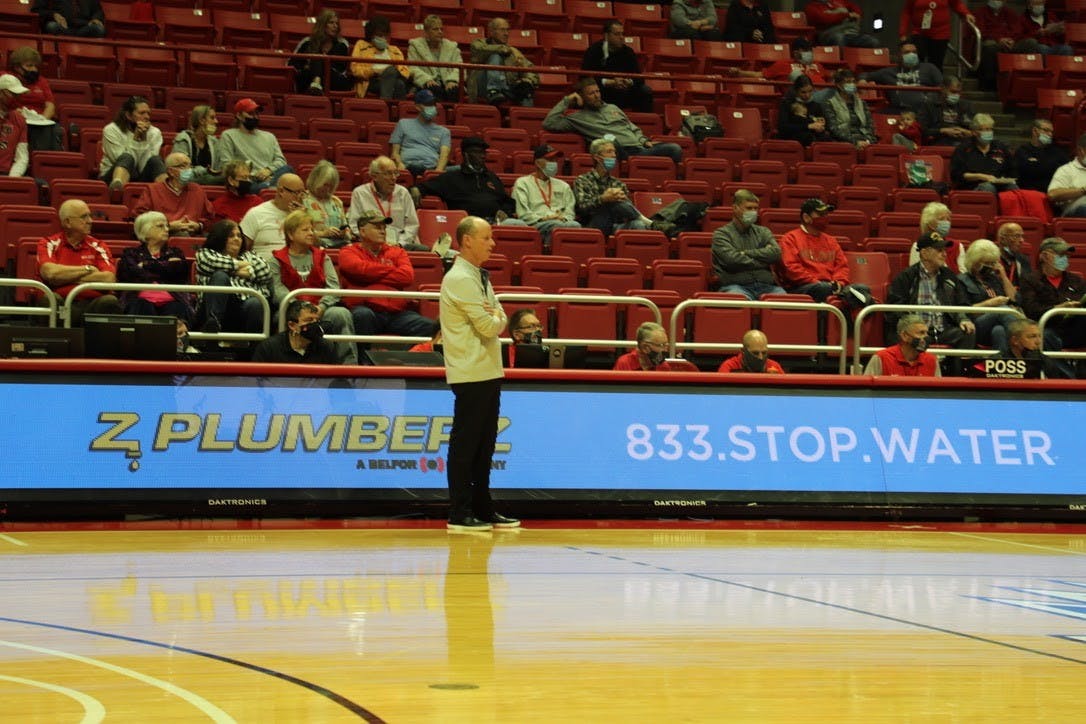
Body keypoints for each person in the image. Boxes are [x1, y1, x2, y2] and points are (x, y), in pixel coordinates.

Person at [439, 215, 518, 532]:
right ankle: (459, 511)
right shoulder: (460, 278)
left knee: (485, 445)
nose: (493, 243)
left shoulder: (479, 276)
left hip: (487, 369)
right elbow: (490, 324)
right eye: (486, 238)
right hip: (470, 371)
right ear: (467, 240)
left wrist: (496, 316)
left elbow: (500, 316)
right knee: (466, 444)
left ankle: (483, 507)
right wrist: (496, 317)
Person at [339, 209, 439, 349]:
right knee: (362, 315)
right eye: (377, 227)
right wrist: (391, 271)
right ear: (362, 231)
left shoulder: (397, 252)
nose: (383, 231)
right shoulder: (348, 252)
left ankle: (403, 361)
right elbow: (357, 269)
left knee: (430, 327)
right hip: (367, 310)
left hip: (396, 312)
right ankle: (363, 364)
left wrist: (370, 274)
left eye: (384, 227)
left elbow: (406, 276)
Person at [269, 210, 357, 365]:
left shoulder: (323, 256)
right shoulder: (276, 259)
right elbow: (277, 291)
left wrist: (321, 307)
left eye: (311, 229)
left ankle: (349, 368)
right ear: (290, 235)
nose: (311, 233)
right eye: (305, 230)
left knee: (341, 314)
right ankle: (285, 366)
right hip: (292, 310)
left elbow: (333, 287)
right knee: (279, 317)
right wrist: (301, 309)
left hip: (321, 308)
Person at [887, 232, 976, 373]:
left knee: (967, 333)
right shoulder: (906, 277)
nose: (944, 254)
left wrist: (963, 318)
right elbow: (893, 310)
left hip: (943, 330)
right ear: (924, 253)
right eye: (939, 250)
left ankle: (959, 377)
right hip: (916, 332)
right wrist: (911, 326)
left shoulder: (949, 276)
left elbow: (962, 302)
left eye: (944, 250)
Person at [542, 78, 682, 164]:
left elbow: (632, 127)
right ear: (582, 97)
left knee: (674, 148)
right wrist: (567, 100)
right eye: (591, 93)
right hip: (617, 152)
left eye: (597, 91)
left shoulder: (612, 107)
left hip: (639, 148)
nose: (596, 96)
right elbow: (550, 123)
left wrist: (644, 141)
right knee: (610, 139)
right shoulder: (577, 118)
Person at [36, 199, 123, 325]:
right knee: (50, 299)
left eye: (90, 216)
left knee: (109, 301)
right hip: (62, 302)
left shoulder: (98, 245)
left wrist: (64, 278)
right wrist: (88, 269)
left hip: (92, 303)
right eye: (84, 217)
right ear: (67, 222)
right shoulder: (48, 243)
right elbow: (51, 274)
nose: (90, 221)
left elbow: (108, 279)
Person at [416, 136, 523, 224]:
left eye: (484, 153)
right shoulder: (451, 178)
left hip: (494, 222)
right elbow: (425, 187)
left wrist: (504, 211)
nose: (482, 156)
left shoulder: (491, 177)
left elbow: (507, 202)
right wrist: (415, 189)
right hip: (466, 223)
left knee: (519, 225)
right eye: (477, 152)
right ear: (466, 155)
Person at [195, 219, 273, 334]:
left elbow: (266, 273)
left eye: (239, 236)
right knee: (220, 276)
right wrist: (247, 270)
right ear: (220, 237)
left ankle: (254, 349)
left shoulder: (250, 255)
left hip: (244, 307)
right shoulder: (206, 253)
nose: (236, 239)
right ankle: (213, 324)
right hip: (212, 308)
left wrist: (229, 268)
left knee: (255, 303)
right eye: (231, 236)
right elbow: (209, 263)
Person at [116, 211, 193, 321]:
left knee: (177, 309)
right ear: (145, 231)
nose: (166, 229)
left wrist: (146, 265)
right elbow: (131, 274)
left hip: (173, 299)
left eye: (167, 226)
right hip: (139, 299)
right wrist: (164, 268)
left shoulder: (176, 252)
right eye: (160, 226)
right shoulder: (131, 253)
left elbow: (179, 272)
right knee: (141, 306)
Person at [711, 189, 785, 300]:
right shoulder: (721, 234)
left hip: (768, 287)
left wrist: (745, 253)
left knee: (785, 301)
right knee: (738, 301)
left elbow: (776, 254)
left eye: (756, 208)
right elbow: (732, 260)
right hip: (736, 287)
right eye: (749, 208)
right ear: (735, 208)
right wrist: (763, 261)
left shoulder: (763, 231)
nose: (753, 212)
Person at [572, 138, 652, 236]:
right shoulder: (583, 180)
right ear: (597, 157)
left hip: (616, 224)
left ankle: (641, 229)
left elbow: (627, 210)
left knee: (637, 224)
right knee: (610, 202)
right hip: (594, 224)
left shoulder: (618, 183)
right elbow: (582, 208)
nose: (614, 155)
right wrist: (603, 199)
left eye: (614, 152)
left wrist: (623, 199)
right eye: (609, 152)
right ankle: (648, 222)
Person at [1019, 237, 1086, 350]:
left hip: (1074, 327)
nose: (1065, 258)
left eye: (1067, 255)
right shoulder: (1030, 280)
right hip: (1047, 326)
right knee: (1045, 336)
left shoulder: (1076, 280)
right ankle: (1066, 369)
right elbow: (1030, 310)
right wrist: (1057, 308)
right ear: (1044, 256)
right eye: (1061, 254)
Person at [777, 199, 849, 302]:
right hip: (803, 287)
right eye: (820, 214)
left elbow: (842, 266)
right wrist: (815, 281)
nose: (825, 218)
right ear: (806, 217)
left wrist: (839, 283)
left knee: (861, 289)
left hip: (830, 286)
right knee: (823, 289)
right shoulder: (790, 239)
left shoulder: (831, 241)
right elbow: (791, 268)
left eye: (826, 214)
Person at [957, 238, 1021, 351]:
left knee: (999, 331)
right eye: (987, 263)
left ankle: (1003, 364)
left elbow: (1014, 299)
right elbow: (964, 311)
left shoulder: (993, 279)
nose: (991, 266)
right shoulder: (962, 280)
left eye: (993, 263)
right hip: (976, 325)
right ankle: (1025, 341)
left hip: (997, 326)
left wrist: (1003, 276)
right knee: (1002, 311)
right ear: (975, 262)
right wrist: (990, 304)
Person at [217, 98, 293, 193]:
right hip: (248, 180)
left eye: (256, 113)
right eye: (250, 114)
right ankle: (270, 188)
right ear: (239, 115)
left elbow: (281, 160)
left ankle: (268, 187)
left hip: (270, 176)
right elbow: (226, 164)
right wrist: (248, 175)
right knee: (249, 186)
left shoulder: (269, 136)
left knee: (288, 169)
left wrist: (268, 170)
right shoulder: (228, 135)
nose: (255, 117)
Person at [350, 156, 424, 250]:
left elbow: (412, 225)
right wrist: (374, 241)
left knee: (426, 251)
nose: (393, 178)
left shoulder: (403, 193)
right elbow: (354, 225)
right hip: (371, 245)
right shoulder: (360, 193)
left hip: (400, 245)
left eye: (395, 173)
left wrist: (400, 243)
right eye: (388, 174)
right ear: (374, 176)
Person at [512, 145, 580, 248]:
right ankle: (549, 251)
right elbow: (523, 213)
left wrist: (563, 218)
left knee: (575, 225)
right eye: (549, 159)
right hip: (535, 224)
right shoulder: (523, 183)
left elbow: (570, 213)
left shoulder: (563, 185)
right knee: (556, 226)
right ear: (537, 162)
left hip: (560, 223)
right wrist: (544, 218)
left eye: (555, 160)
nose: (553, 163)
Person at [581, 20, 654, 113]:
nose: (621, 37)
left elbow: (639, 77)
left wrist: (628, 81)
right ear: (606, 36)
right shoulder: (593, 51)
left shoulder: (628, 52)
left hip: (624, 89)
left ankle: (643, 123)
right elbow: (585, 77)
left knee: (645, 91)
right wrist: (608, 82)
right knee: (593, 92)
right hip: (603, 90)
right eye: (617, 34)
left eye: (622, 34)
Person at [132, 152, 214, 236]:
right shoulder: (153, 190)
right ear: (170, 171)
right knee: (182, 234)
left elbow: (210, 219)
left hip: (194, 237)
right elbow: (140, 220)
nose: (189, 170)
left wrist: (198, 226)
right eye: (183, 166)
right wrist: (168, 226)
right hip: (163, 237)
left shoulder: (198, 190)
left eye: (190, 166)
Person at [100, 95, 166, 196]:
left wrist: (143, 139)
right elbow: (122, 160)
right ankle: (118, 191)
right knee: (127, 157)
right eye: (142, 113)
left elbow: (144, 165)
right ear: (128, 115)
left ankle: (166, 194)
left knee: (156, 160)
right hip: (112, 176)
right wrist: (135, 139)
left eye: (148, 113)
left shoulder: (155, 133)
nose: (147, 117)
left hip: (141, 175)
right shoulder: (111, 130)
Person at [467, 17, 538, 106]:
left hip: (506, 87)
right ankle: (493, 90)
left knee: (525, 90)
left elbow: (530, 68)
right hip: (482, 86)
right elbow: (479, 49)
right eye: (502, 30)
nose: (506, 34)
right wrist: (501, 48)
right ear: (491, 32)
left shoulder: (513, 52)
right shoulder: (479, 43)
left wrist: (528, 80)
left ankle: (527, 117)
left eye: (507, 30)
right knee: (495, 55)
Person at [3, 46, 61, 151]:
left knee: (52, 129)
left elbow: (50, 106)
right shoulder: (6, 78)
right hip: (14, 120)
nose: (34, 69)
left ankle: (41, 162)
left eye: (35, 66)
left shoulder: (41, 81)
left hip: (39, 122)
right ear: (17, 67)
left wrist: (41, 119)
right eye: (29, 65)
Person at [861, 41, 943, 113]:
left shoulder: (929, 68)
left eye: (914, 52)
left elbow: (942, 85)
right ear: (899, 55)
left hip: (924, 111)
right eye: (907, 52)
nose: (912, 55)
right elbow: (865, 75)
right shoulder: (888, 72)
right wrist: (862, 80)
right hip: (898, 110)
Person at [251, 299, 340, 364]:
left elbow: (336, 382)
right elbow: (256, 383)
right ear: (292, 325)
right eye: (309, 320)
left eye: (316, 320)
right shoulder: (269, 348)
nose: (315, 325)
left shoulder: (326, 347)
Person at [239, 173, 307, 258]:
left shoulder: (303, 215)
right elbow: (241, 249)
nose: (300, 198)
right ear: (281, 191)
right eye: (297, 193)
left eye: (303, 193)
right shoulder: (257, 213)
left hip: (297, 265)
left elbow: (315, 245)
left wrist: (301, 219)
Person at [899, 0, 975, 73]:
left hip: (941, 34)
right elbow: (907, 12)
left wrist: (966, 13)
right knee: (914, 62)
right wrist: (903, 33)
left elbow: (957, 4)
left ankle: (935, 84)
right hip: (919, 33)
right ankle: (914, 83)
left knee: (936, 65)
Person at [289, 9, 352, 95]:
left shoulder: (342, 45)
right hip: (308, 80)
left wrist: (318, 65)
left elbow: (342, 70)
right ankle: (316, 84)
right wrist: (307, 67)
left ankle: (316, 83)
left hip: (333, 80)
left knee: (318, 59)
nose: (335, 26)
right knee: (312, 66)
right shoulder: (307, 42)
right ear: (322, 25)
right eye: (331, 23)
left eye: (336, 23)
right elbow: (292, 64)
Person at [389, 88, 451, 177]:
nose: (432, 107)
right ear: (417, 107)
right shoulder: (403, 124)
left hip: (430, 169)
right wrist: (399, 165)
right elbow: (394, 153)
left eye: (433, 104)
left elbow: (444, 156)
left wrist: (435, 174)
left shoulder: (444, 131)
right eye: (427, 104)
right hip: (406, 167)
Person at [950, 114, 1017, 194]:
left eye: (990, 129)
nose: (988, 132)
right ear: (974, 132)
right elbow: (956, 174)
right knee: (988, 187)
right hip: (972, 187)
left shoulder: (1000, 148)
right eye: (984, 130)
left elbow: (1012, 170)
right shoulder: (963, 149)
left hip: (997, 184)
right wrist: (981, 176)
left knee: (1012, 187)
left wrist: (1004, 179)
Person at [350, 15, 409, 100]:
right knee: (398, 84)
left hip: (392, 78)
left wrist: (388, 72)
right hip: (371, 80)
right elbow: (355, 69)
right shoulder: (361, 45)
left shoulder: (394, 50)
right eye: (379, 35)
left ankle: (385, 103)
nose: (383, 38)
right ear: (371, 35)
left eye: (385, 35)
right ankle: (394, 109)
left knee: (393, 75)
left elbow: (405, 72)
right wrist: (374, 71)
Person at [863, 314, 942, 376]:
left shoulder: (932, 360)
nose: (926, 337)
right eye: (921, 333)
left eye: (926, 333)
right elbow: (866, 392)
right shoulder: (882, 358)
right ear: (904, 336)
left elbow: (938, 394)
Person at [407, 14, 461, 102]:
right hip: (427, 82)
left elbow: (459, 67)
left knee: (454, 91)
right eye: (435, 29)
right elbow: (412, 68)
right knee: (433, 90)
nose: (440, 32)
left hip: (447, 82)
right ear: (426, 32)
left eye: (441, 29)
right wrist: (426, 80)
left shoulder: (451, 46)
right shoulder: (415, 45)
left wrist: (452, 80)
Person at [823, 68, 877, 150]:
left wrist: (868, 141)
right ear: (838, 85)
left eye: (853, 82)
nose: (852, 84)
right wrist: (855, 142)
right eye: (848, 82)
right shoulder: (830, 104)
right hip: (844, 143)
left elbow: (870, 125)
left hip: (864, 141)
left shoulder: (862, 103)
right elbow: (834, 129)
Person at [303, 160, 352, 248]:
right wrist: (324, 233)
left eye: (331, 186)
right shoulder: (303, 200)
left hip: (340, 244)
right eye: (325, 185)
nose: (327, 189)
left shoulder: (336, 201)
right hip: (315, 245)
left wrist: (343, 233)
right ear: (315, 180)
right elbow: (299, 232)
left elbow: (346, 229)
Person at [170, 105, 222, 185]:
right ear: (201, 120)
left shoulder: (214, 142)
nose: (216, 121)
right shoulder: (183, 139)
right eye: (212, 118)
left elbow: (217, 170)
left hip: (209, 181)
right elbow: (180, 170)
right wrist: (203, 171)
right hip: (186, 180)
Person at [917, 75, 973, 147]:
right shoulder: (929, 105)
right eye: (953, 92)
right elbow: (923, 129)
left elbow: (974, 129)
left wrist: (966, 131)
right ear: (943, 89)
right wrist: (943, 131)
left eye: (958, 92)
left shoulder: (966, 105)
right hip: (938, 141)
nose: (956, 95)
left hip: (962, 142)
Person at [1014, 119, 1067, 194]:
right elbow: (1028, 172)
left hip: (1052, 192)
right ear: (1035, 131)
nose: (1050, 134)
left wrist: (1038, 165)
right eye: (1046, 130)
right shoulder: (1023, 150)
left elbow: (1065, 170)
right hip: (1029, 192)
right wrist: (1052, 166)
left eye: (1051, 131)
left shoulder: (1057, 151)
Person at [777, 76, 831, 147]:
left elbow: (824, 125)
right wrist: (808, 126)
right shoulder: (787, 104)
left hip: (814, 137)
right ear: (796, 91)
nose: (807, 95)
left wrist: (821, 127)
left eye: (810, 91)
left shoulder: (816, 106)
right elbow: (783, 127)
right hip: (793, 138)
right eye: (803, 92)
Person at [907, 202, 962, 271]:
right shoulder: (918, 246)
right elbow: (915, 274)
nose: (946, 223)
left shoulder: (957, 246)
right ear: (930, 223)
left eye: (948, 219)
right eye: (941, 219)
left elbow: (963, 276)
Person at [805, 0, 879, 48]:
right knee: (838, 38)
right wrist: (846, 15)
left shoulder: (838, 2)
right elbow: (826, 19)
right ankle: (842, 67)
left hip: (848, 34)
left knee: (872, 41)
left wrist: (853, 14)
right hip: (827, 35)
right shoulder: (812, 7)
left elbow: (856, 10)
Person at [1047, 133, 1086, 218]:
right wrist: (1083, 190)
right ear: (1080, 150)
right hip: (1074, 213)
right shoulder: (1066, 170)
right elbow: (1052, 195)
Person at [212, 159, 262, 224]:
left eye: (249, 178)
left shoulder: (257, 202)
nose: (248, 181)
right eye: (244, 178)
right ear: (231, 180)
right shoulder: (218, 206)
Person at [763, 38, 831, 85]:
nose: (809, 52)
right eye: (806, 50)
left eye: (810, 49)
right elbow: (759, 75)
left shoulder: (817, 64)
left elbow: (830, 77)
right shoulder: (783, 64)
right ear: (795, 53)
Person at [0, 75, 29, 178]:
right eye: (13, 94)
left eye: (18, 95)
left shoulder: (19, 119)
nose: (17, 98)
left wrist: (13, 179)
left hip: (6, 174)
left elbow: (22, 157)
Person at [718, 330, 785, 374]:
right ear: (743, 351)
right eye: (755, 353)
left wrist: (775, 381)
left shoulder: (774, 367)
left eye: (764, 353)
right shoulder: (729, 367)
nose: (761, 357)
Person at [31, 0, 105, 37]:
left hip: (84, 28)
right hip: (62, 27)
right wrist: (53, 15)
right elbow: (37, 10)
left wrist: (96, 18)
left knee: (99, 29)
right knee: (52, 26)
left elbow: (98, 11)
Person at [995, 221, 1032, 289]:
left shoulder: (1023, 260)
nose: (1022, 240)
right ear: (1002, 239)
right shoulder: (991, 259)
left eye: (1022, 236)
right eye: (1016, 236)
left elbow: (1028, 287)